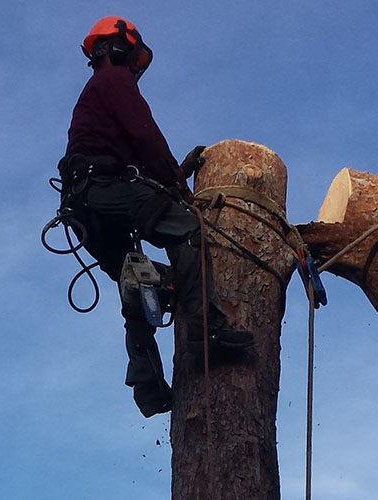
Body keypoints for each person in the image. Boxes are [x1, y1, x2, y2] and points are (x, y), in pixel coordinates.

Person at [57, 16, 253, 418]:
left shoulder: (92, 96)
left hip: (85, 206)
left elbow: (131, 161)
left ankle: (147, 384)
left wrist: (176, 173)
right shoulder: (115, 82)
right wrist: (183, 193)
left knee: (139, 279)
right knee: (186, 229)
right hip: (104, 190)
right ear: (121, 47)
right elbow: (146, 137)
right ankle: (208, 333)